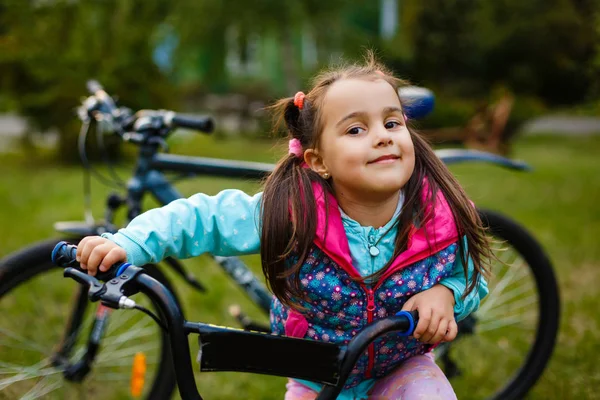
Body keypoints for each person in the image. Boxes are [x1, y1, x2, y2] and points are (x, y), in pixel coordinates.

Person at [76, 53, 490, 399]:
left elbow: (471, 272)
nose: (382, 137)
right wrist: (130, 243)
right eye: (356, 129)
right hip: (315, 374)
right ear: (317, 161)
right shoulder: (292, 212)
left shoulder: (441, 216)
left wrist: (448, 293)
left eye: (392, 123)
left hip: (403, 367)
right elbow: (201, 217)